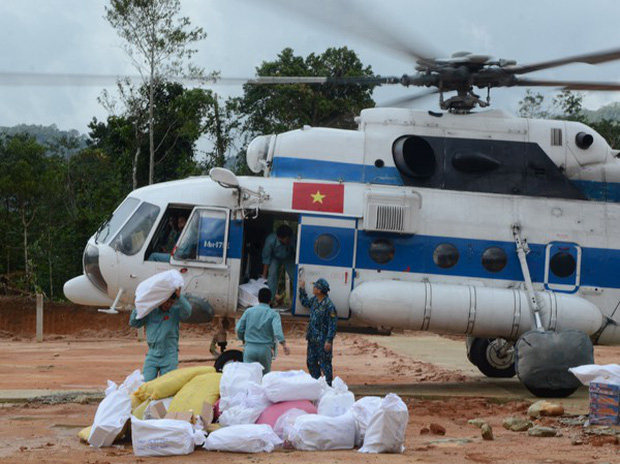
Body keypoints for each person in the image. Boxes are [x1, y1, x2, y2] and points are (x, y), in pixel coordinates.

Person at [129, 288, 192, 381]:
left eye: (171, 303)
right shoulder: (151, 311)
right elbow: (134, 323)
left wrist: (180, 297)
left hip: (169, 355)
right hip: (152, 354)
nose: (168, 305)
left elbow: (188, 312)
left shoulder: (175, 312)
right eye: (167, 302)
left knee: (167, 385)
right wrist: (139, 306)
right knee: (147, 383)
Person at [235, 287, 290, 373]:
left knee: (249, 376)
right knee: (264, 378)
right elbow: (277, 331)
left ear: (258, 298)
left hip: (250, 348)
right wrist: (284, 344)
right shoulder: (274, 314)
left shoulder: (248, 311)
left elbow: (239, 328)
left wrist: (243, 338)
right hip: (265, 349)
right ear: (270, 300)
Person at [298, 278, 337, 385]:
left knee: (325, 364)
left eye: (315, 286)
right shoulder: (315, 300)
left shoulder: (329, 305)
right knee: (311, 362)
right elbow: (305, 302)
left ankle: (328, 387)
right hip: (312, 339)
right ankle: (317, 384)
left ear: (319, 290)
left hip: (323, 341)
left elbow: (332, 325)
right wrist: (301, 289)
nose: (313, 288)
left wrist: (329, 340)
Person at [262, 224, 296, 303]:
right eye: (287, 239)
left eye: (289, 238)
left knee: (295, 276)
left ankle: (297, 301)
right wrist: (264, 276)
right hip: (275, 257)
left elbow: (297, 252)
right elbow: (266, 258)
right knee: (272, 274)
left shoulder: (292, 238)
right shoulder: (270, 240)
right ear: (279, 237)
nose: (288, 240)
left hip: (288, 257)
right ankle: (269, 300)